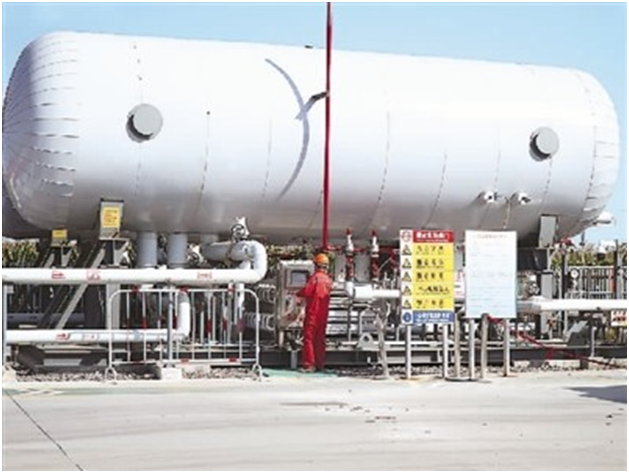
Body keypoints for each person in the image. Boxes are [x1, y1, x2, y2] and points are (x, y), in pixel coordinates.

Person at [297, 253, 333, 372]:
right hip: (323, 314)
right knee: (320, 340)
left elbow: (307, 291)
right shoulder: (328, 280)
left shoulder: (315, 278)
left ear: (316, 265)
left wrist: (297, 293)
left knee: (309, 339)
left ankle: (309, 364)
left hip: (313, 312)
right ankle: (320, 364)